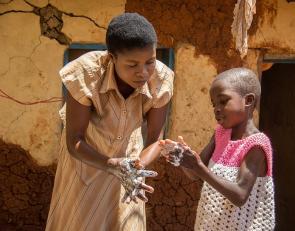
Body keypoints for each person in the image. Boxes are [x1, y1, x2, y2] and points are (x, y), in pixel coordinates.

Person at [45, 13, 174, 231]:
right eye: (132, 64)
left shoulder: (160, 79)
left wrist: (135, 169)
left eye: (150, 61)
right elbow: (74, 140)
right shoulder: (87, 73)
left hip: (129, 173)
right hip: (83, 169)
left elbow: (155, 140)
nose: (143, 72)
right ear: (112, 58)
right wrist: (112, 164)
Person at [161, 68, 275, 230]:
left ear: (248, 100)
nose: (216, 109)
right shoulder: (220, 134)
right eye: (214, 104)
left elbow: (240, 195)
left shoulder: (256, 144)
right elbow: (195, 174)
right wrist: (182, 159)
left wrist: (197, 166)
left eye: (223, 101)